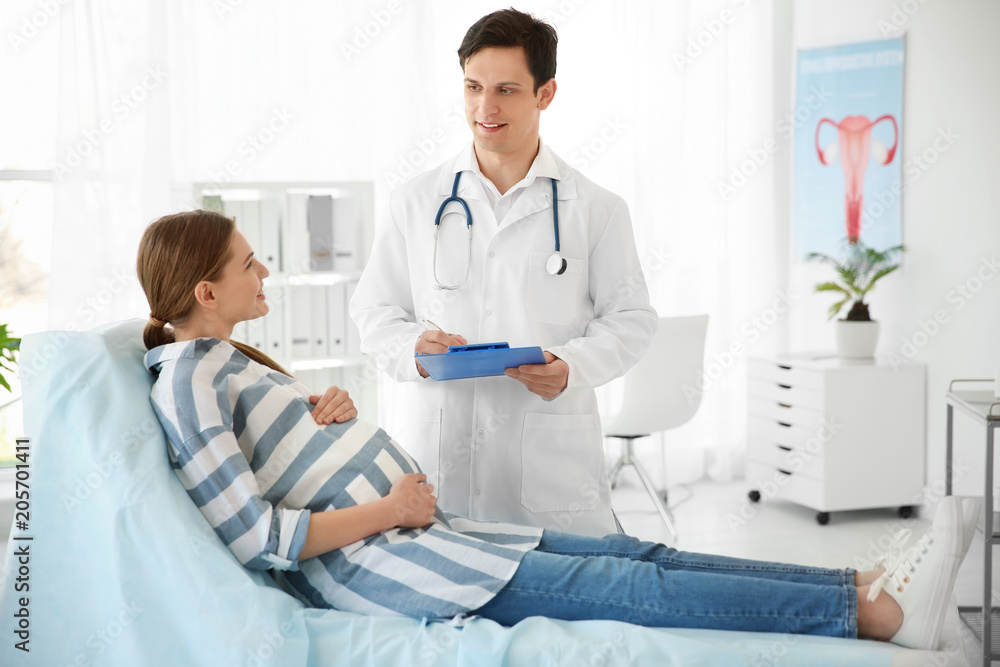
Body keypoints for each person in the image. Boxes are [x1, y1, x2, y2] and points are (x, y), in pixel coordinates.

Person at [137, 210, 973, 651]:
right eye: (249, 261)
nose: (265, 269)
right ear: (205, 290)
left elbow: (282, 466)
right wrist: (390, 510)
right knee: (635, 594)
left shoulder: (230, 362)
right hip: (400, 564)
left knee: (643, 557)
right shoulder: (187, 381)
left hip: (433, 533)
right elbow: (257, 535)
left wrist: (329, 415)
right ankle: (878, 617)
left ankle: (859, 579)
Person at [350, 8, 658, 537]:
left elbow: (631, 320)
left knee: (565, 613)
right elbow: (374, 310)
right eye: (473, 87)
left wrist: (571, 364)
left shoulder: (597, 209)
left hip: (551, 476)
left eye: (507, 90)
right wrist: (413, 350)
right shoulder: (415, 200)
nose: (484, 108)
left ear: (545, 94)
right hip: (438, 458)